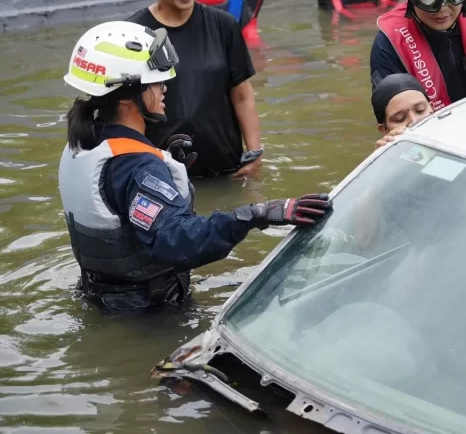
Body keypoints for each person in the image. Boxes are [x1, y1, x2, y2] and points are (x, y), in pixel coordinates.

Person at [57, 21, 331, 311]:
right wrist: (254, 215)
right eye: (156, 82)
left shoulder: (84, 142)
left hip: (100, 297)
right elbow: (176, 240)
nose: (165, 88)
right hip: (150, 311)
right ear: (127, 96)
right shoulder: (138, 167)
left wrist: (168, 168)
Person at [127, 0, 263, 179]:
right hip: (163, 172)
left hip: (227, 166)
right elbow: (125, 110)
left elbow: (242, 95)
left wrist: (254, 152)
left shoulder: (224, 25)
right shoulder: (135, 33)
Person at [372, 73, 432, 149]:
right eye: (399, 118)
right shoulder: (388, 156)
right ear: (384, 130)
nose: (414, 121)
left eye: (420, 110)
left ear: (432, 108)